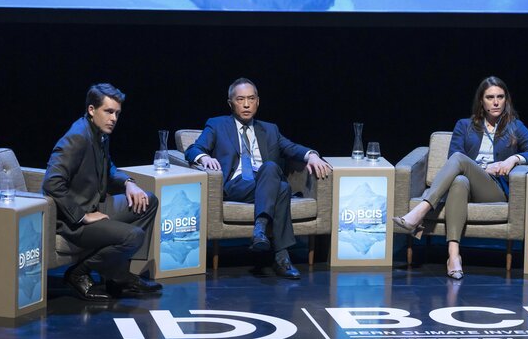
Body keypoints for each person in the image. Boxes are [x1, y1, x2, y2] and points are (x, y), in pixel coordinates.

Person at [393, 76, 528, 280]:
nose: (495, 102)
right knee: (459, 180)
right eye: (490, 97)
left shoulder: (514, 126)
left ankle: (419, 211)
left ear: (506, 100)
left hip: (494, 190)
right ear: (481, 101)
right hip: (466, 185)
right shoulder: (464, 125)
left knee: (460, 160)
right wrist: (484, 167)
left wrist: (513, 159)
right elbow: (452, 160)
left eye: (500, 97)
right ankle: (454, 256)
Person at [185, 77, 331, 280]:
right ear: (231, 103)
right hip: (236, 185)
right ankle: (281, 257)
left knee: (270, 170)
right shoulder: (217, 125)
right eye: (240, 99)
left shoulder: (270, 129)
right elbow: (193, 149)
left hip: (264, 182)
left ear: (258, 102)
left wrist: (312, 155)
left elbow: (292, 148)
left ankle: (260, 231)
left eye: (251, 99)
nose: (246, 104)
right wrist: (205, 157)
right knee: (282, 189)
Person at [43, 83, 162, 302]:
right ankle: (78, 273)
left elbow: (109, 169)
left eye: (117, 113)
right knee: (133, 236)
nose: (114, 118)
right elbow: (52, 183)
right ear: (91, 110)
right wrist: (82, 215)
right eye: (108, 112)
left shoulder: (100, 133)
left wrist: (129, 183)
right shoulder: (77, 137)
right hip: (74, 222)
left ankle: (117, 276)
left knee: (148, 200)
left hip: (96, 204)